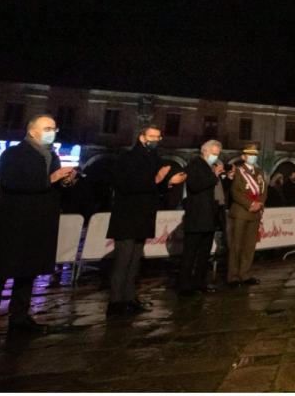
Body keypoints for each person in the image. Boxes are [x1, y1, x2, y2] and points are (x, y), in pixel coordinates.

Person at [0, 115, 77, 347]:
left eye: (54, 128)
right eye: (47, 128)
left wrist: (67, 181)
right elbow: (14, 182)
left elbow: (55, 187)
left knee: (28, 271)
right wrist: (51, 178)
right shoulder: (14, 154)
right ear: (32, 132)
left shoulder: (52, 155)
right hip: (15, 222)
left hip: (41, 222)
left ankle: (19, 319)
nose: (53, 131)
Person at [108, 125, 186, 316]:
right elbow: (125, 184)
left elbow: (155, 187)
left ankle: (129, 297)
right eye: (152, 137)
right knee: (123, 261)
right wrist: (157, 180)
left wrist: (168, 182)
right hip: (127, 216)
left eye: (158, 137)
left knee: (135, 260)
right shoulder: (127, 158)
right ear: (142, 137)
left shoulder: (153, 158)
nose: (156, 140)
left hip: (143, 216)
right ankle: (116, 302)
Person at [178, 140, 225, 296]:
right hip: (196, 216)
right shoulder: (195, 165)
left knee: (204, 253)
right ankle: (185, 286)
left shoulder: (209, 167)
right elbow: (195, 186)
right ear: (205, 151)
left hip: (208, 217)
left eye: (218, 154)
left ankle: (200, 282)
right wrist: (214, 175)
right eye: (214, 153)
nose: (216, 157)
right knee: (190, 253)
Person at [228, 144, 266, 287]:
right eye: (250, 155)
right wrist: (249, 204)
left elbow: (264, 191)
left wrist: (260, 203)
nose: (253, 157)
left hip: (255, 213)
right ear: (244, 157)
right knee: (236, 245)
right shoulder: (237, 171)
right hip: (241, 212)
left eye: (255, 155)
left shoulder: (259, 172)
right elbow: (235, 192)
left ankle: (245, 274)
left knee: (249, 246)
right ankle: (233, 277)